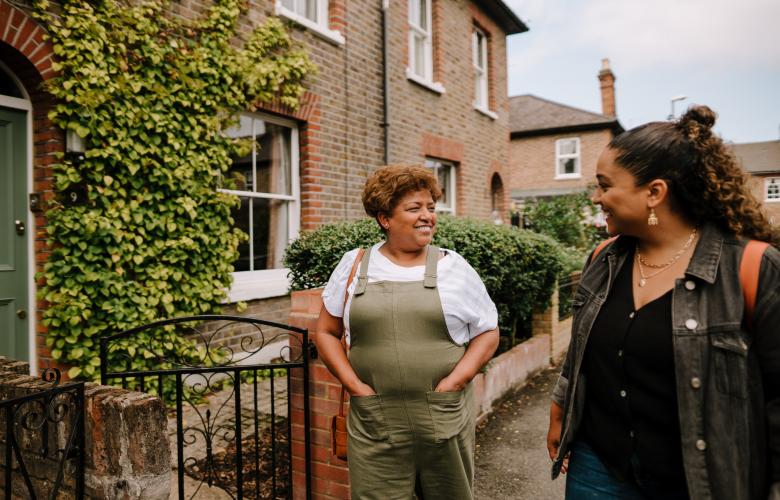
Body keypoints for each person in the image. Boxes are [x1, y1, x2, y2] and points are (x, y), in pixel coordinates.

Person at [546, 105, 780, 500]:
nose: (596, 197)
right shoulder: (602, 259)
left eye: (604, 185)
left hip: (698, 480)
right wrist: (560, 407)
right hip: (599, 467)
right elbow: (581, 353)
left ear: (654, 192)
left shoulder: (752, 267)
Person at [315, 163, 499, 500]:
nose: (427, 216)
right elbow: (325, 332)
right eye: (414, 208)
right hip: (375, 421)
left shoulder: (454, 268)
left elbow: (488, 332)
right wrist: (355, 387)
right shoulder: (354, 264)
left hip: (443, 419)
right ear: (385, 218)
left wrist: (455, 382)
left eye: (431, 207)